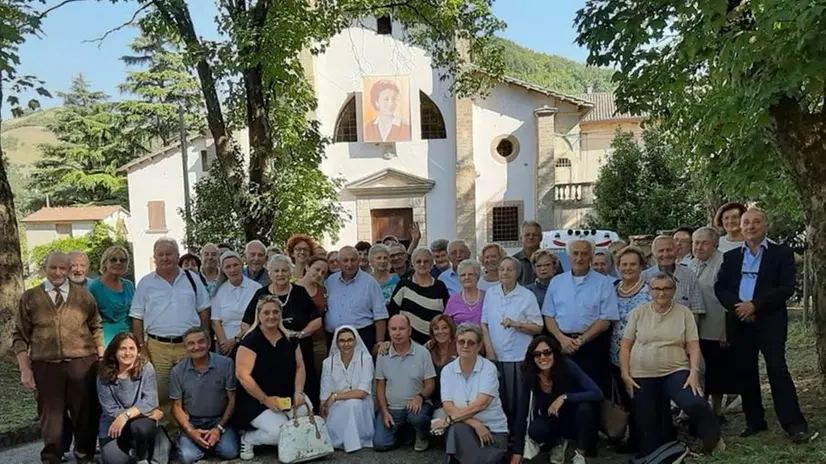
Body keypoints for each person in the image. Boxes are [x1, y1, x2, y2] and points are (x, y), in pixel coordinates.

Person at [714, 208, 809, 443]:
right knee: (745, 372)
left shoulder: (781, 253)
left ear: (765, 225)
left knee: (777, 368)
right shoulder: (732, 257)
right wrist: (739, 306)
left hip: (770, 320)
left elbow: (787, 288)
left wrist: (755, 305)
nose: (751, 226)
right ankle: (754, 421)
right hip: (740, 320)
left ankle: (793, 423)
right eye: (747, 222)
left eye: (756, 222)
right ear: (741, 227)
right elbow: (720, 287)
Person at [13, 251, 104, 464]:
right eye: (53, 268)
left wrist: (100, 357)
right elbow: (19, 335)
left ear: (69, 269)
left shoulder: (83, 296)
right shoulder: (30, 297)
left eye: (63, 268)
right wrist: (25, 369)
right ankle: (52, 457)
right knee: (51, 417)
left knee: (84, 413)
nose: (58, 272)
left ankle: (85, 455)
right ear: (46, 268)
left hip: (82, 362)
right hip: (45, 364)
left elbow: (96, 327)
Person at [621, 273, 724, 457]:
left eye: (667, 288)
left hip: (675, 369)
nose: (662, 293)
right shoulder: (639, 312)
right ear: (650, 291)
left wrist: (693, 372)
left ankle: (713, 440)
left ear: (674, 291)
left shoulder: (684, 313)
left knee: (694, 402)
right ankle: (655, 455)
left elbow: (693, 346)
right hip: (642, 373)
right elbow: (626, 347)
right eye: (657, 289)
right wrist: (625, 374)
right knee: (647, 421)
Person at [130, 237, 211, 416]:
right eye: (161, 255)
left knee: (191, 389)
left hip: (189, 346)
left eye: (169, 254)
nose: (165, 258)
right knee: (161, 392)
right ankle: (167, 433)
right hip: (158, 347)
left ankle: (189, 430)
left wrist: (205, 335)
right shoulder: (146, 283)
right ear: (155, 258)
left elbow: (204, 309)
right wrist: (141, 348)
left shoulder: (192, 279)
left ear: (177, 256)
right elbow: (137, 318)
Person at [241, 254, 322, 410]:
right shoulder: (261, 294)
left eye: (284, 270)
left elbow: (317, 320)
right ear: (270, 274)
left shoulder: (300, 292)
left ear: (290, 272)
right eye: (276, 271)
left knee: (306, 391)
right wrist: (262, 339)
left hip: (300, 348)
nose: (280, 274)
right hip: (270, 352)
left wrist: (301, 334)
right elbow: (246, 323)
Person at [235, 296, 310, 460]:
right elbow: (242, 375)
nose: (271, 316)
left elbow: (300, 366)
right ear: (259, 315)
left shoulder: (290, 339)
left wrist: (298, 392)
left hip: (287, 395)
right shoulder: (250, 341)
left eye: (275, 312)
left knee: (304, 413)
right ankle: (249, 438)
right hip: (255, 400)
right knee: (279, 432)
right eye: (266, 312)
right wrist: (265, 399)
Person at [542, 239, 619, 396]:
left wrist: (581, 340)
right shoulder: (557, 282)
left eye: (584, 254)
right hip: (562, 345)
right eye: (575, 254)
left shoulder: (604, 283)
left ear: (591, 256)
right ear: (569, 257)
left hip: (593, 346)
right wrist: (561, 339)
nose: (579, 258)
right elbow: (548, 315)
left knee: (594, 392)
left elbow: (606, 319)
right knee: (563, 391)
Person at [512, 336, 603, 464]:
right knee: (536, 430)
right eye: (537, 354)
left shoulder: (567, 365)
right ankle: (556, 445)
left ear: (554, 352)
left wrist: (564, 397)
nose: (543, 357)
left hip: (573, 418)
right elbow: (522, 411)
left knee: (585, 407)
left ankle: (580, 453)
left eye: (547, 352)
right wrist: (517, 451)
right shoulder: (530, 374)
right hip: (549, 418)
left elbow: (597, 393)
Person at [431, 323, 509, 464]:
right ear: (456, 344)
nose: (465, 346)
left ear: (479, 346)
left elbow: (481, 404)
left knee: (454, 427)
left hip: (492, 431)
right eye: (461, 341)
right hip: (468, 428)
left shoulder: (488, 369)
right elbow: (449, 407)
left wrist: (449, 420)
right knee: (456, 429)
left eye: (471, 342)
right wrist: (475, 424)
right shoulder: (448, 371)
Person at [481, 256, 544, 421]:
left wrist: (516, 324)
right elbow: (484, 323)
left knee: (518, 401)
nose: (505, 272)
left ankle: (519, 437)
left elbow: (538, 327)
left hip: (519, 356)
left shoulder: (527, 296)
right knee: (498, 400)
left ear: (517, 273)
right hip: (496, 356)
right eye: (502, 269)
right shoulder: (491, 293)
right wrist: (489, 350)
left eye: (510, 269)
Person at [689, 227, 737, 420]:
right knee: (698, 368)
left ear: (715, 245)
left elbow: (732, 297)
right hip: (695, 327)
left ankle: (717, 410)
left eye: (704, 243)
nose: (699, 247)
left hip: (718, 325)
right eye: (695, 243)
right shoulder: (691, 264)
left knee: (717, 369)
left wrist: (728, 330)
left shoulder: (725, 262)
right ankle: (699, 407)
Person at [170, 328, 238, 463]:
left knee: (230, 452)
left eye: (201, 342)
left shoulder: (226, 364)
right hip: (192, 422)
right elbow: (176, 407)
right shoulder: (177, 371)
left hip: (219, 420)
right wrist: (191, 432)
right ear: (185, 347)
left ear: (208, 343)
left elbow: (232, 399)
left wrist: (218, 428)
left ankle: (207, 443)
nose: (196, 347)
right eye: (191, 343)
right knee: (187, 457)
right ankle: (199, 443)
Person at [609, 246, 651, 453]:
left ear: (641, 266)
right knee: (627, 401)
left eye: (633, 264)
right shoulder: (613, 290)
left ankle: (649, 441)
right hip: (616, 356)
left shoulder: (650, 291)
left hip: (642, 355)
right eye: (624, 264)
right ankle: (634, 439)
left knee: (643, 401)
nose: (628, 268)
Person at [374, 315, 437, 452]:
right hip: (392, 409)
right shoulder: (383, 354)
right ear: (389, 332)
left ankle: (422, 435)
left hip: (416, 407)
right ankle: (406, 433)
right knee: (380, 444)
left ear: (409, 331)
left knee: (418, 418)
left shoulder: (422, 353)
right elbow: (380, 386)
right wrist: (384, 411)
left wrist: (420, 397)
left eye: (402, 329)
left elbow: (430, 383)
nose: (397, 333)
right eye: (393, 329)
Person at [97, 332, 162, 464]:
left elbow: (150, 400)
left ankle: (142, 456)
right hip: (113, 424)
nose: (127, 353)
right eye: (122, 348)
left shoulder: (147, 368)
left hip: (139, 424)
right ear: (114, 351)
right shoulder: (103, 374)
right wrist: (136, 414)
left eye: (132, 348)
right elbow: (109, 408)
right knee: (114, 460)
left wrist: (125, 415)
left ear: (138, 351)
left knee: (140, 428)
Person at [320, 326, 375, 453]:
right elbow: (324, 395)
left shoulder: (366, 359)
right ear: (337, 343)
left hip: (361, 406)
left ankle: (354, 442)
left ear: (356, 341)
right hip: (336, 407)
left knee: (352, 403)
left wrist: (335, 396)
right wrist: (322, 420)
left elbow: (362, 392)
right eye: (342, 341)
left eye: (350, 340)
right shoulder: (328, 363)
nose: (346, 344)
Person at [325, 246, 388, 352]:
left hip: (362, 337)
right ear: (339, 262)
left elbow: (380, 316)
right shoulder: (330, 281)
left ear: (359, 260)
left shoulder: (370, 282)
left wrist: (379, 343)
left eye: (353, 260)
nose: (349, 264)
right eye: (345, 260)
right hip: (334, 338)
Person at [388, 247, 450, 344]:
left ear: (431, 264)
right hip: (406, 343)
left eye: (426, 261)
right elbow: (392, 312)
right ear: (413, 263)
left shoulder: (440, 287)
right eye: (418, 261)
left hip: (433, 343)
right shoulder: (404, 285)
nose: (422, 264)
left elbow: (446, 315)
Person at [210, 251, 262, 356]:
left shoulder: (256, 288)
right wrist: (224, 343)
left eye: (235, 265)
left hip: (251, 341)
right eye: (228, 267)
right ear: (223, 270)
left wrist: (236, 339)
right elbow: (215, 321)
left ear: (242, 265)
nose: (232, 270)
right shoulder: (219, 291)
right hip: (226, 347)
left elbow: (258, 319)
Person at [642, 235, 705, 318]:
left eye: (669, 250)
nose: (665, 254)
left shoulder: (689, 275)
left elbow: (696, 310)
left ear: (676, 251)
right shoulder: (644, 277)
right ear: (654, 254)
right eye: (661, 251)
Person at [89, 246, 135, 347]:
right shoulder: (94, 287)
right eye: (113, 259)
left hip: (128, 340)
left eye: (122, 260)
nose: (118, 263)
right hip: (105, 342)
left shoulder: (129, 285)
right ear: (105, 262)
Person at [295, 256, 330, 377]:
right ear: (307, 267)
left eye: (323, 272)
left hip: (318, 342)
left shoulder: (323, 291)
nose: (319, 274)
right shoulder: (292, 288)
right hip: (297, 340)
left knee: (319, 375)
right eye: (317, 269)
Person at [444, 259, 485, 326]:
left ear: (477, 276)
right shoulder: (453, 300)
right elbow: (446, 323)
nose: (466, 277)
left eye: (470, 274)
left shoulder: (487, 297)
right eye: (463, 275)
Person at [513, 220, 543, 285]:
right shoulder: (513, 261)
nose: (531, 237)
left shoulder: (551, 260)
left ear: (541, 237)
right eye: (527, 235)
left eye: (534, 234)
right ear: (521, 238)